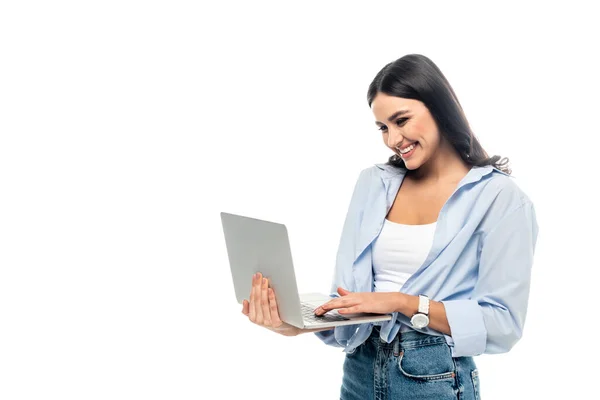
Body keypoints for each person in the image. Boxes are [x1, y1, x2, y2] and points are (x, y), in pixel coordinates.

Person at [241, 54, 539, 400]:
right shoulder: (373, 184)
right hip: (360, 368)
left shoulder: (499, 198)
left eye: (401, 120)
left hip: (433, 376)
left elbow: (503, 325)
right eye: (383, 127)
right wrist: (292, 322)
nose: (393, 139)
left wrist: (401, 302)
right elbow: (354, 299)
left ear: (439, 108)